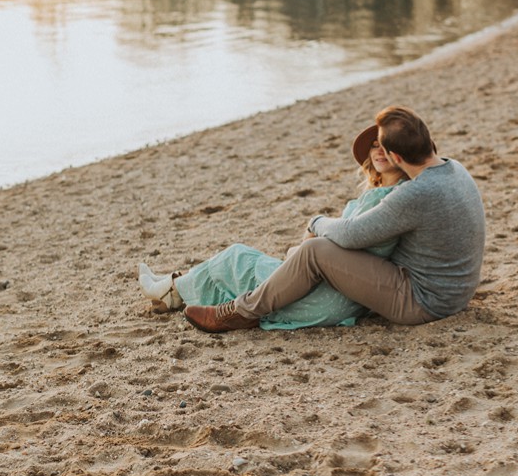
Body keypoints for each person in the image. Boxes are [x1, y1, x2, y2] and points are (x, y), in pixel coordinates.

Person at [176, 105, 485, 333]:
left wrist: (316, 221)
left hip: (423, 302)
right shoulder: (453, 168)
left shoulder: (415, 194)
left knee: (314, 251)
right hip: (454, 292)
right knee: (312, 254)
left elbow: (351, 235)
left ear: (396, 159)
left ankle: (240, 313)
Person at [138, 122, 406, 329]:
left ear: (402, 153)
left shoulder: (390, 200)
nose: (378, 151)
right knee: (249, 262)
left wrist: (311, 236)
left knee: (237, 257)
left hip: (328, 298)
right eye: (374, 145)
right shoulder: (384, 195)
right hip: (339, 291)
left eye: (385, 145)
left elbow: (349, 240)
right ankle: (174, 288)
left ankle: (172, 290)